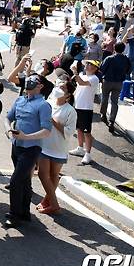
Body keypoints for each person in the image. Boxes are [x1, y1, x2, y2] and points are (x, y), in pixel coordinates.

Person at [5, 74, 52, 228]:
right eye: (29, 79)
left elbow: (46, 131)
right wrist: (8, 130)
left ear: (40, 86)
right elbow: (8, 118)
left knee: (15, 181)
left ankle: (14, 214)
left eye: (34, 80)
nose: (29, 81)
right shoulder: (19, 100)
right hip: (16, 146)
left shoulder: (43, 105)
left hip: (31, 149)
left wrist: (27, 137)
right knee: (24, 180)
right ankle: (24, 212)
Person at [37, 81, 76, 214]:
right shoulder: (49, 102)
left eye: (63, 88)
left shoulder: (70, 111)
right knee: (43, 175)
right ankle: (52, 203)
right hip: (44, 145)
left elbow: (69, 132)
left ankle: (49, 202)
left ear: (68, 95)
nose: (59, 89)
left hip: (59, 148)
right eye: (59, 86)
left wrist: (53, 121)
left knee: (53, 175)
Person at [69, 60, 101, 165]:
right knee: (79, 129)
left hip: (86, 108)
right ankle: (80, 148)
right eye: (87, 63)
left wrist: (74, 72)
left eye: (90, 64)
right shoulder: (83, 75)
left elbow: (81, 83)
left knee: (87, 132)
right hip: (77, 106)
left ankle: (88, 154)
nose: (87, 65)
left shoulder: (94, 79)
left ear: (95, 68)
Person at [99, 42, 131, 133]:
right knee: (114, 101)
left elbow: (102, 69)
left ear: (114, 48)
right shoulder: (126, 59)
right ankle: (112, 120)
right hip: (119, 82)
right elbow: (129, 71)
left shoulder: (109, 58)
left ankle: (103, 114)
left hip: (108, 81)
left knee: (105, 97)